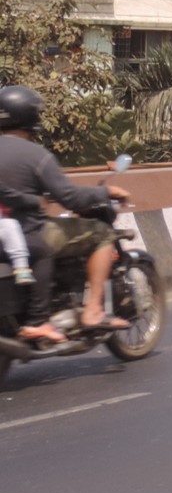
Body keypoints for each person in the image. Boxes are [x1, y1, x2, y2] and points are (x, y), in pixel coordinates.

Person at [0, 85, 131, 343]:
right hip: (31, 232)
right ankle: (93, 310)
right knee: (102, 233)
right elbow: (71, 198)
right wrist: (106, 192)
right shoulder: (36, 155)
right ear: (30, 117)